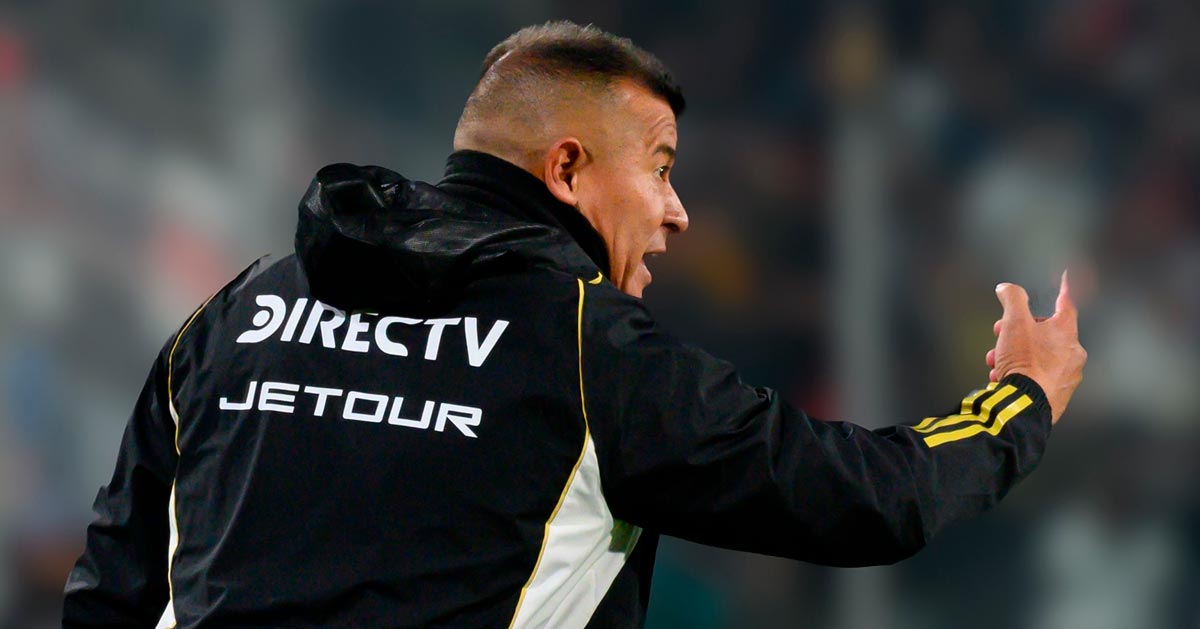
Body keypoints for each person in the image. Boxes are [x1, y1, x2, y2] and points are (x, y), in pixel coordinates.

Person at [62, 20, 1086, 628]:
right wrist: (1022, 399)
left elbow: (110, 585)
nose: (677, 211)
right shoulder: (587, 349)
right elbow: (868, 499)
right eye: (661, 168)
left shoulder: (238, 309)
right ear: (566, 169)